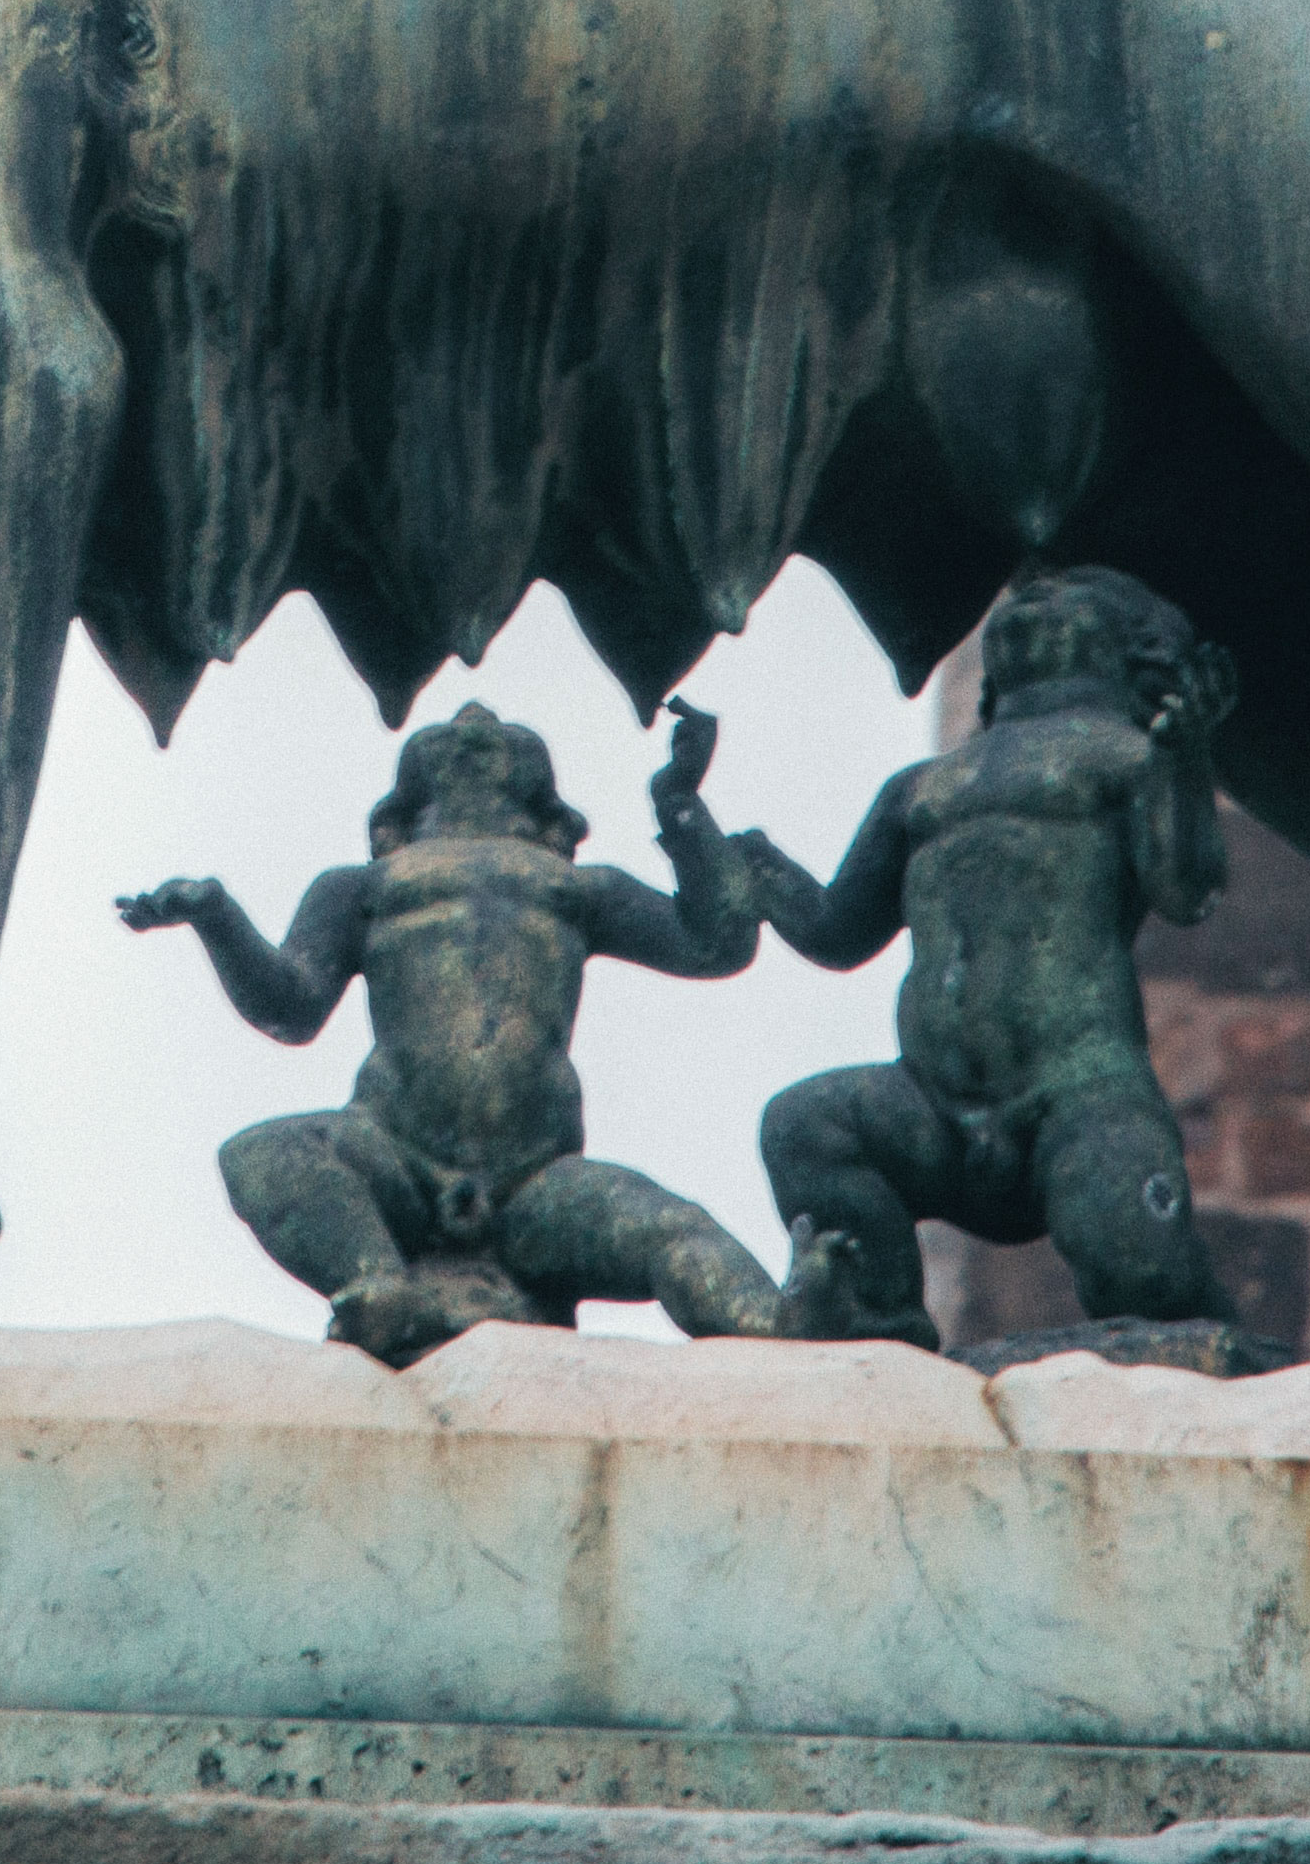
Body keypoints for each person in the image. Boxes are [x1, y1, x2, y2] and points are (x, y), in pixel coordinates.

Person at [121, 699, 853, 1362]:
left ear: (544, 801)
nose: (475, 718)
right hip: (392, 1156)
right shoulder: (363, 886)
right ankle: (377, 1284)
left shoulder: (576, 886)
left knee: (672, 1226)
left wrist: (680, 802)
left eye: (498, 733)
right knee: (262, 1155)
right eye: (460, 730)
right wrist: (216, 917)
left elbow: (716, 943)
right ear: (405, 802)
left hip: (535, 1180)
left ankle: (773, 1316)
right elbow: (290, 1005)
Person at [740, 565, 1245, 1351]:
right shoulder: (921, 788)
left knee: (1148, 1284)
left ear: (1128, 646)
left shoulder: (1125, 759)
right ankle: (881, 1320)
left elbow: (1186, 889)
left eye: (1069, 593)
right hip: (931, 1108)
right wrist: (755, 869)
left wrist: (1183, 763)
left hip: (1074, 1097)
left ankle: (1212, 1326)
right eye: (1028, 595)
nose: (1037, 597)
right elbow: (840, 930)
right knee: (805, 1125)